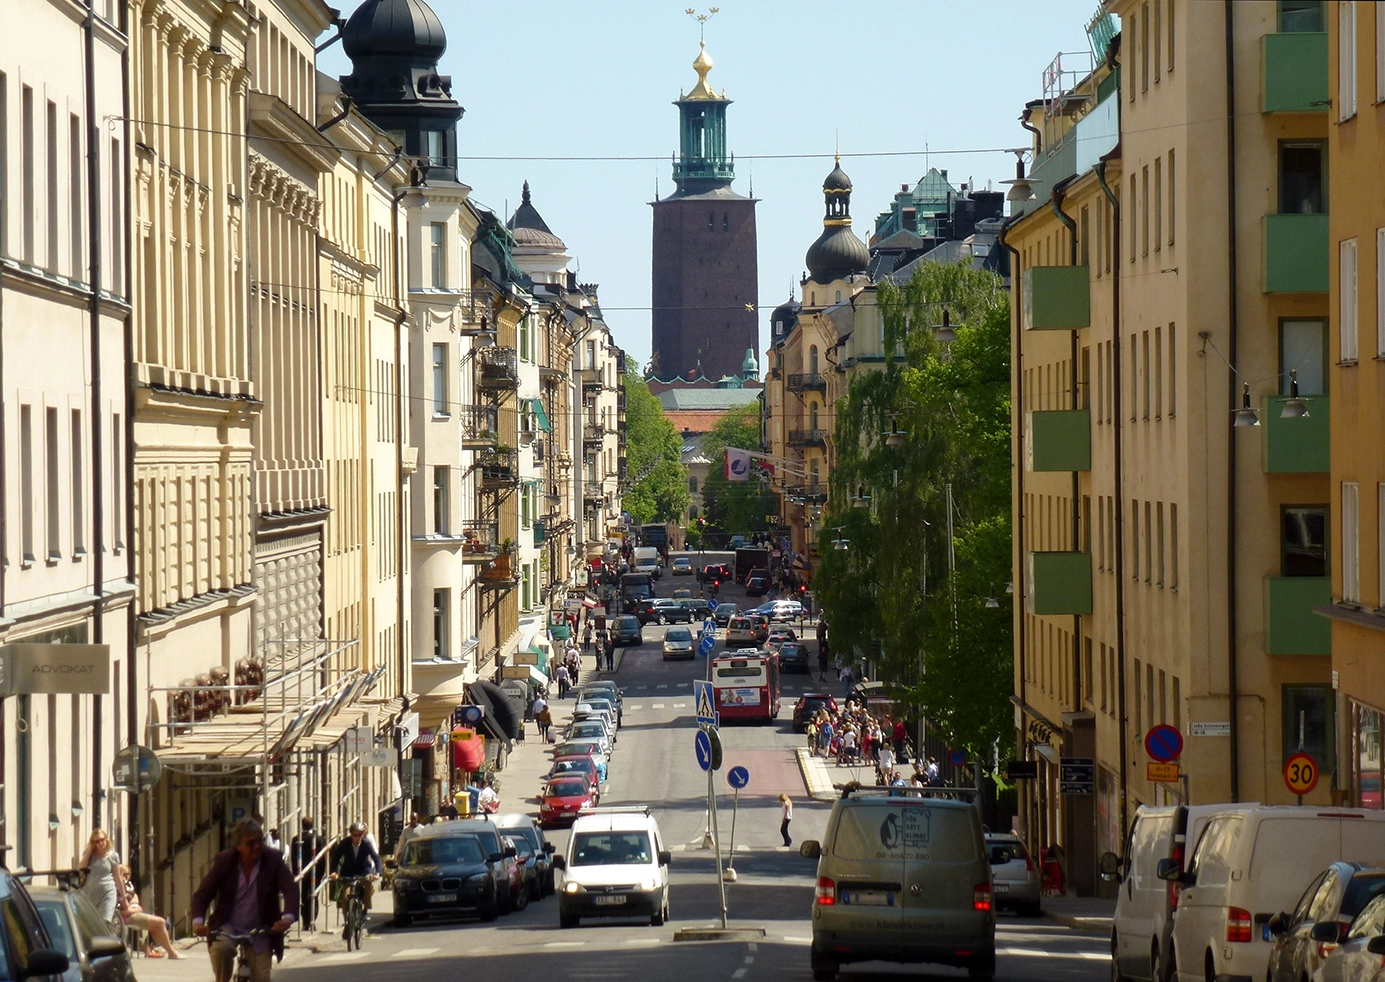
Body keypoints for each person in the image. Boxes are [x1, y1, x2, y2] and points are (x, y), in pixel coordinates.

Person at [191, 818, 298, 982]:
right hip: (228, 928)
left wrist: (287, 919)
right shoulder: (225, 861)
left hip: (262, 928)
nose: (257, 847)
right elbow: (203, 894)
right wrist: (198, 922)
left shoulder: (272, 860)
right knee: (221, 951)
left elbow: (290, 888)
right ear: (238, 846)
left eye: (260, 841)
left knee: (262, 977)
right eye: (250, 843)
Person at [114, 865, 181, 958]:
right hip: (128, 916)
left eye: (128, 874)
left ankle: (150, 947)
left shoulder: (128, 886)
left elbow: (135, 899)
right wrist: (132, 910)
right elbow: (119, 909)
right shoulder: (116, 888)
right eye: (124, 874)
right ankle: (171, 952)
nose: (127, 876)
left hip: (134, 912)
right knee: (160, 922)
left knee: (163, 923)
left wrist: (134, 907)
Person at [330, 822, 381, 938]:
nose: (357, 837)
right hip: (348, 871)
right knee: (345, 896)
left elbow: (376, 858)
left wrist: (377, 873)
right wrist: (334, 872)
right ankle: (348, 921)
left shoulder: (366, 844)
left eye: (359, 834)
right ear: (351, 834)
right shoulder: (345, 843)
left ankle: (366, 909)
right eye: (354, 834)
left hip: (364, 869)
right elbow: (336, 857)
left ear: (363, 834)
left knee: (368, 882)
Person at [79, 828, 126, 927]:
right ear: (93, 843)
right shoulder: (90, 855)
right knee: (89, 924)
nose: (101, 843)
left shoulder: (113, 856)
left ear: (106, 839)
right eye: (97, 841)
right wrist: (89, 852)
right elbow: (81, 868)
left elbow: (118, 878)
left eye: (102, 839)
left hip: (108, 892)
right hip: (90, 893)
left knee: (104, 922)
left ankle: (103, 941)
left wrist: (124, 897)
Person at [289, 817, 326, 930]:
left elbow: (293, 857)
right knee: (313, 895)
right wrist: (322, 872)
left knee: (303, 895)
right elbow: (322, 858)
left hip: (301, 872)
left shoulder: (296, 839)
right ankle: (311, 920)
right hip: (314, 872)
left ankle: (305, 920)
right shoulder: (317, 839)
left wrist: (295, 872)